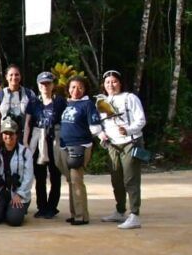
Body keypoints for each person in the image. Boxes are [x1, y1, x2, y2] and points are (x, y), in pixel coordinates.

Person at [97, 69, 146, 230]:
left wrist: (129, 130)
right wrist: (101, 135)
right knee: (116, 180)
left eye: (114, 81)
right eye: (107, 82)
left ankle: (134, 215)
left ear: (120, 83)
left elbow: (141, 120)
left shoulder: (130, 98)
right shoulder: (102, 101)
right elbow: (101, 124)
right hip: (112, 145)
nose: (111, 84)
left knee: (130, 179)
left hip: (130, 143)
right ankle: (120, 211)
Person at [59, 76, 102, 226]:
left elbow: (95, 126)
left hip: (80, 145)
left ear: (85, 89)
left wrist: (103, 137)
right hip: (66, 145)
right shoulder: (68, 103)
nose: (75, 90)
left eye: (79, 87)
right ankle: (74, 213)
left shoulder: (87, 104)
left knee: (77, 180)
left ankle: (81, 215)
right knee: (71, 180)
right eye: (72, 87)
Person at [25, 71, 66, 219]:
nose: (45, 86)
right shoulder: (34, 101)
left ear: (53, 85)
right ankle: (41, 206)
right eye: (42, 83)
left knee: (55, 175)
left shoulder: (60, 101)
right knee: (40, 175)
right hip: (38, 139)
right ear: (38, 85)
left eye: (48, 83)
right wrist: (26, 143)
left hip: (54, 138)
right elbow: (28, 123)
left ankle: (52, 207)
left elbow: (65, 122)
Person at [0, 118, 34, 226]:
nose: (8, 136)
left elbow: (28, 178)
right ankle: (4, 208)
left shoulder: (25, 153)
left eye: (11, 133)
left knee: (14, 220)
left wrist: (19, 195)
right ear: (1, 135)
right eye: (5, 133)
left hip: (18, 192)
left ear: (17, 135)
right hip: (0, 191)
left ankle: (16, 209)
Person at [0, 64, 35, 142]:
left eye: (16, 75)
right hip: (5, 136)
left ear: (20, 76)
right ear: (6, 77)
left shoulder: (29, 94)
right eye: (11, 75)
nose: (14, 77)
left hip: (25, 137)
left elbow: (34, 117)